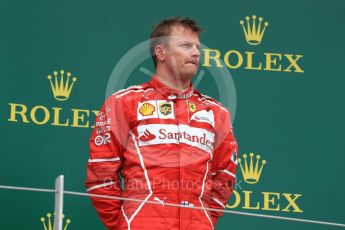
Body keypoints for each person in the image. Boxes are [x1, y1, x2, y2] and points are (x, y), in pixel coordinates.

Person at [85, 17, 238, 230]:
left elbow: (226, 176)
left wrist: (201, 220)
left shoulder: (216, 112)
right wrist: (124, 224)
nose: (195, 52)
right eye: (185, 45)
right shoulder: (125, 103)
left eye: (197, 47)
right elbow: (101, 172)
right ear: (161, 52)